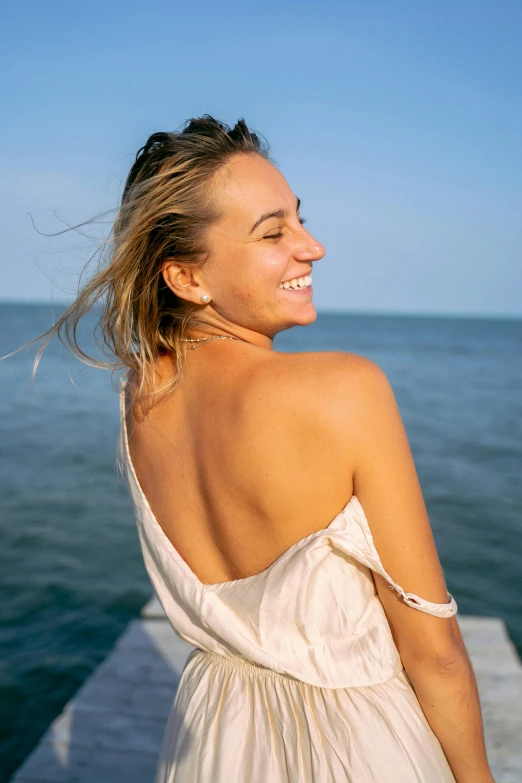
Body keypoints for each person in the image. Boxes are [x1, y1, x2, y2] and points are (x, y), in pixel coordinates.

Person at [26, 116, 495, 782]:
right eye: (273, 232)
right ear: (187, 278)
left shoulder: (141, 396)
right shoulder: (344, 390)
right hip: (358, 749)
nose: (314, 247)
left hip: (216, 743)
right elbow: (437, 651)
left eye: (300, 220)